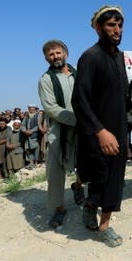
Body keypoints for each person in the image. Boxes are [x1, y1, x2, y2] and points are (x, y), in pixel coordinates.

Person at [71, 5, 129, 247]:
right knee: (104, 178)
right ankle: (104, 226)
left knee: (112, 178)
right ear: (97, 28)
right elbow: (79, 99)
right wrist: (101, 131)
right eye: (110, 25)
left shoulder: (120, 57)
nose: (117, 30)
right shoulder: (90, 57)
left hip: (119, 128)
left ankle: (90, 207)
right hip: (100, 132)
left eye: (119, 24)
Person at [38, 39, 84, 229]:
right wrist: (78, 119)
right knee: (56, 172)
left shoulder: (79, 75)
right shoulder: (46, 80)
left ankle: (79, 187)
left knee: (84, 162)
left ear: (66, 53)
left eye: (58, 52)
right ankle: (59, 208)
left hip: (82, 129)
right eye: (51, 54)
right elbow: (51, 108)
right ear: (46, 58)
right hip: (59, 131)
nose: (55, 56)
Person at [21, 104, 41, 169]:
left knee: (36, 149)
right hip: (27, 136)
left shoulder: (38, 115)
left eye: (32, 108)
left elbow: (39, 126)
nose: (30, 110)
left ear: (35, 109)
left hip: (35, 135)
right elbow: (23, 125)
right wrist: (25, 131)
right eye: (29, 108)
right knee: (28, 149)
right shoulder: (26, 116)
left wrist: (31, 131)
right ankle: (31, 162)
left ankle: (36, 162)